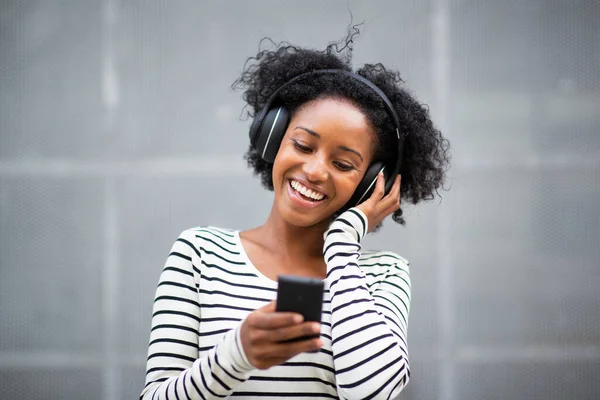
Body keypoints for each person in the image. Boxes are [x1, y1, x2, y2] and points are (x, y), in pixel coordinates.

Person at [140, 30, 450, 400]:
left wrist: (341, 243)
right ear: (271, 139)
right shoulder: (199, 254)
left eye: (343, 163)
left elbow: (370, 393)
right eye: (303, 145)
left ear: (370, 184)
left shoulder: (383, 274)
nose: (316, 171)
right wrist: (236, 356)